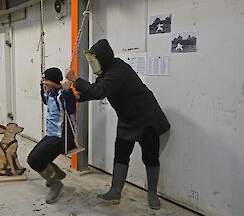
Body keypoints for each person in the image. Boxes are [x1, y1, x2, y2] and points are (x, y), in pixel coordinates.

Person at [65, 39, 170, 210]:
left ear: (103, 58)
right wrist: (79, 97)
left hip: (146, 118)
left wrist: (76, 80)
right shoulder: (107, 70)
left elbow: (100, 91)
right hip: (127, 120)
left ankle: (152, 194)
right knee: (121, 155)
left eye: (94, 60)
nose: (93, 64)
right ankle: (115, 191)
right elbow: (99, 88)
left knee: (150, 157)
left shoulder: (118, 70)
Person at [27, 67, 76, 204]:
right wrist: (41, 83)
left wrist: (68, 90)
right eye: (43, 80)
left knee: (35, 161)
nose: (44, 83)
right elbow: (44, 98)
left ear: (54, 82)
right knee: (36, 158)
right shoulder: (50, 95)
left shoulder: (62, 96)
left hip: (62, 138)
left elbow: (71, 108)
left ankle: (56, 184)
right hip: (51, 136)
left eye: (46, 80)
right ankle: (57, 174)